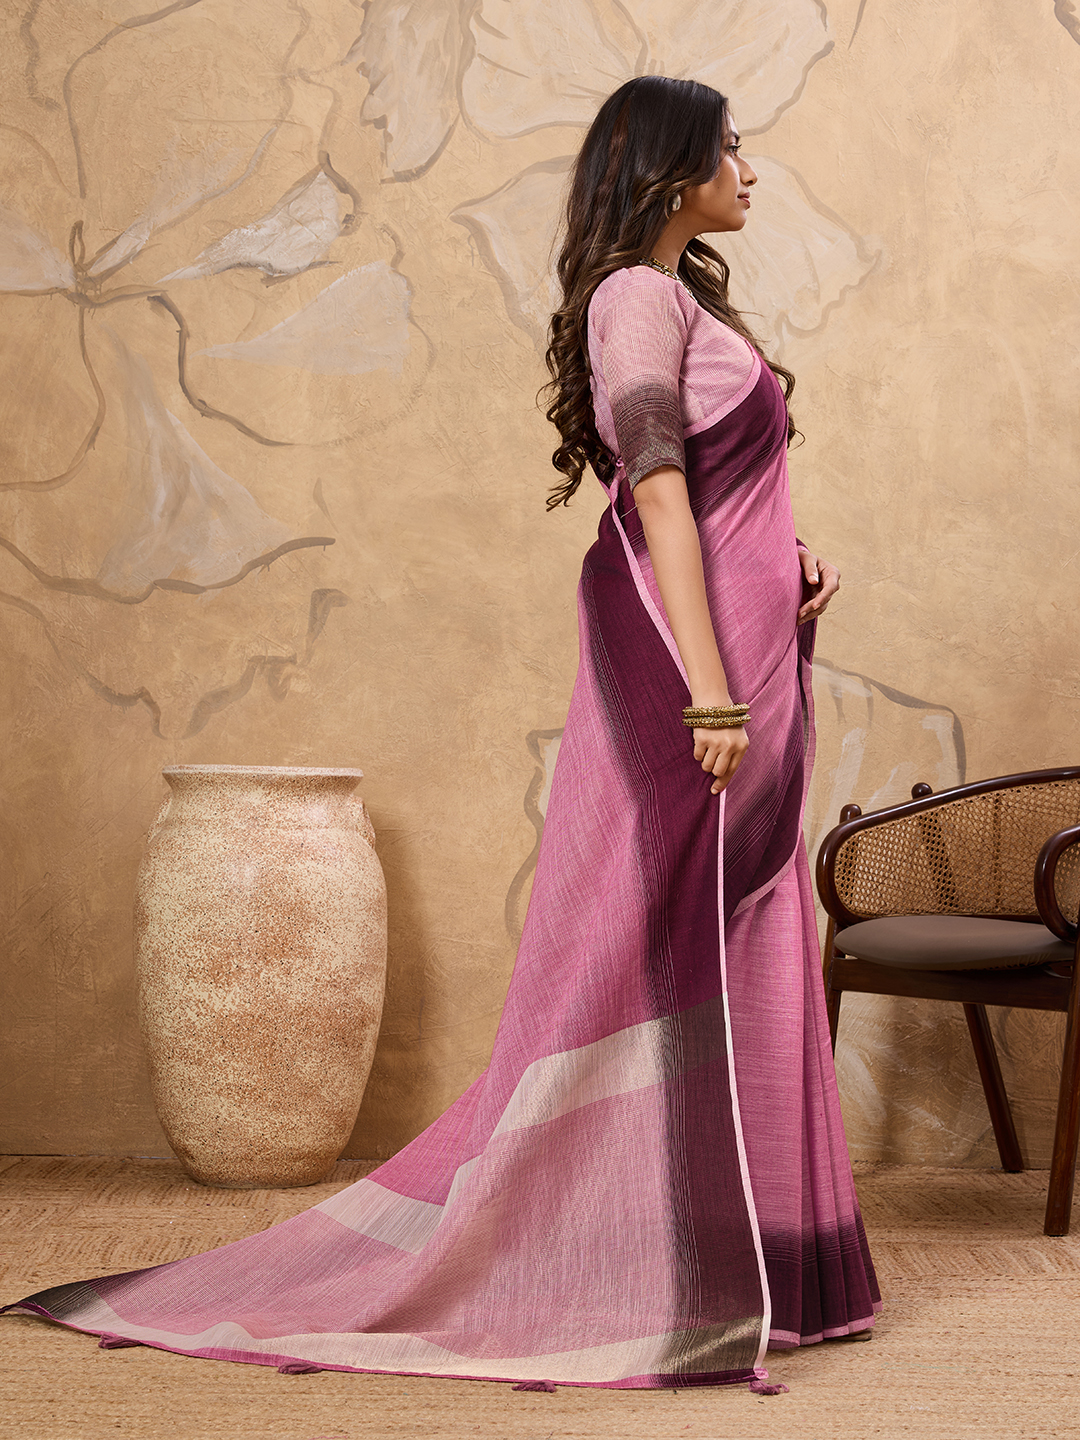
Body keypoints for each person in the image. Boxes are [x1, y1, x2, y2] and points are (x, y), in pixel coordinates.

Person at [4, 76, 879, 1391]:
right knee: (650, 948)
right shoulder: (633, 300)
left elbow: (720, 487)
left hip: (748, 658)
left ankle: (766, 1264)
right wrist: (708, 688)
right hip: (694, 676)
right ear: (669, 168)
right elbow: (655, 492)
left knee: (741, 932)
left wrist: (788, 564)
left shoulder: (680, 299)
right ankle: (617, 1258)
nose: (749, 170)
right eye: (730, 150)